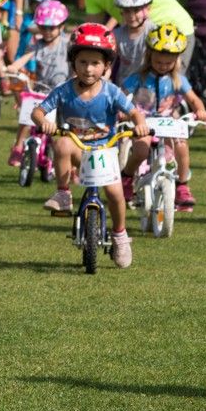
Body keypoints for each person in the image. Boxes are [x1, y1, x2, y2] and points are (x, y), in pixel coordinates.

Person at [32, 24, 148, 267]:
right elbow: (38, 111)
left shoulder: (111, 92)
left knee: (115, 194)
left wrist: (140, 125)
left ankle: (120, 235)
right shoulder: (64, 91)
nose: (88, 68)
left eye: (95, 63)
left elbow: (134, 112)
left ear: (106, 66)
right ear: (73, 63)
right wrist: (44, 122)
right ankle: (63, 193)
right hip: (78, 149)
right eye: (83, 62)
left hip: (104, 150)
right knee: (62, 143)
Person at [119, 24, 206, 212]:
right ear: (149, 57)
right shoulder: (138, 77)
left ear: (176, 60)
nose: (163, 66)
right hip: (143, 122)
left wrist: (201, 110)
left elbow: (194, 99)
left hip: (168, 122)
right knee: (141, 150)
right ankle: (127, 178)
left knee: (181, 146)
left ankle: (182, 186)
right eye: (159, 62)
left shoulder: (178, 80)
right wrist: (121, 110)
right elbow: (120, 95)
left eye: (168, 63)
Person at [6, 0, 71, 166]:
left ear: (62, 26)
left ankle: (71, 165)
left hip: (63, 91)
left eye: (52, 27)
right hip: (42, 91)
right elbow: (25, 58)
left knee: (66, 127)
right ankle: (18, 147)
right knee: (28, 115)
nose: (47, 32)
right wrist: (14, 67)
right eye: (43, 27)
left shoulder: (67, 44)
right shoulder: (37, 45)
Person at [112, 0, 154, 82]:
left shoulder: (154, 33)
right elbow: (109, 64)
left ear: (147, 9)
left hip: (147, 86)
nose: (131, 16)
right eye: (127, 11)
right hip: (123, 86)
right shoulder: (117, 35)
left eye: (136, 10)